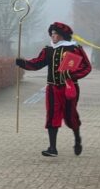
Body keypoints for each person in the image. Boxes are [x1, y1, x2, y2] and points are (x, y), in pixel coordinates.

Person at [16, 22, 92, 157]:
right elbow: (37, 63)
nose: (52, 36)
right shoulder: (48, 50)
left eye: (55, 34)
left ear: (62, 35)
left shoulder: (74, 49)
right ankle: (52, 148)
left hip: (69, 88)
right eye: (51, 34)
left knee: (70, 116)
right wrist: (24, 63)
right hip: (52, 88)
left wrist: (71, 74)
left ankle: (77, 139)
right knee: (52, 115)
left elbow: (87, 67)